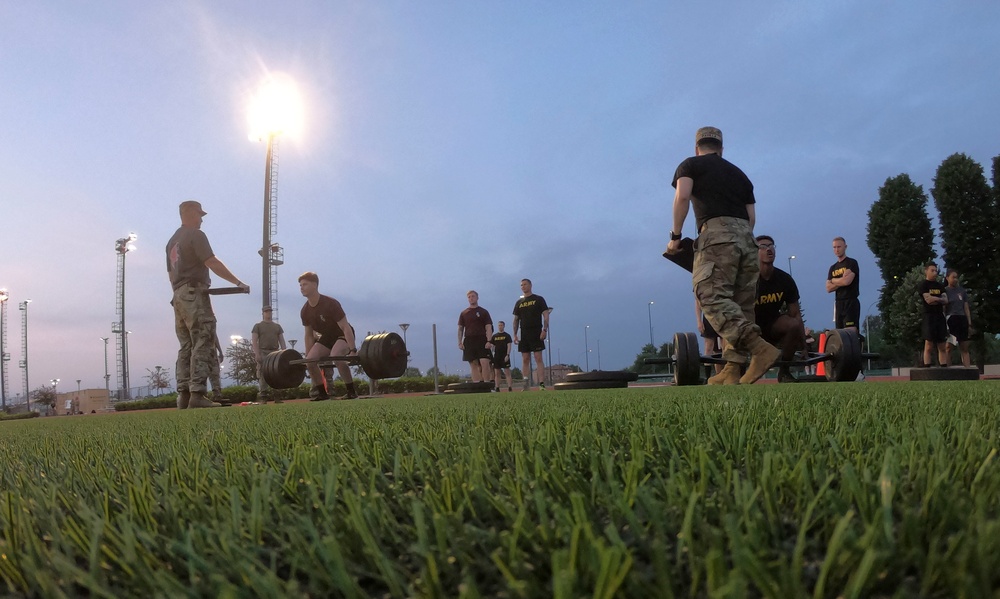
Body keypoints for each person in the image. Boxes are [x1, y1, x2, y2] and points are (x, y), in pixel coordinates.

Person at [665, 126, 779, 385]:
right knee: (741, 304)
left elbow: (682, 196)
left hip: (716, 234)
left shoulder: (690, 165)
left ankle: (760, 349)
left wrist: (675, 237)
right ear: (721, 149)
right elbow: (751, 218)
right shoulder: (740, 175)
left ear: (697, 148)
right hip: (748, 239)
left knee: (709, 294)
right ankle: (732, 368)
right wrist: (742, 241)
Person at [166, 200, 250, 409]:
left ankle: (183, 395)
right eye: (199, 214)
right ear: (190, 213)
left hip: (178, 295)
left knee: (186, 346)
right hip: (195, 292)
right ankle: (198, 394)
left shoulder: (171, 241)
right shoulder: (195, 235)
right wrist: (238, 282)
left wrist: (179, 295)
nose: (202, 219)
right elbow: (211, 261)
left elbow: (170, 274)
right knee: (203, 339)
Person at [298, 271, 359, 401]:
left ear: (314, 285)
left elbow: (345, 327)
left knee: (336, 356)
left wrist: (353, 350)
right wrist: (308, 357)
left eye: (305, 284)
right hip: (328, 337)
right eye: (300, 285)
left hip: (342, 334)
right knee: (311, 361)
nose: (301, 287)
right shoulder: (305, 311)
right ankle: (322, 393)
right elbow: (308, 336)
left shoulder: (331, 303)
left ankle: (351, 391)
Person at [754, 235, 806, 382]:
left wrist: (804, 345)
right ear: (754, 252)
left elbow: (796, 314)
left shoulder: (785, 279)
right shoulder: (747, 280)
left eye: (771, 246)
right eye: (763, 246)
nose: (769, 249)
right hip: (750, 327)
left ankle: (784, 372)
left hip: (772, 327)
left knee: (793, 324)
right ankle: (737, 373)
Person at [512, 279, 552, 390]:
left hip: (536, 332)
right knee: (525, 358)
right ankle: (525, 384)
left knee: (538, 357)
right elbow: (515, 319)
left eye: (525, 284)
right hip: (524, 332)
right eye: (521, 285)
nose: (523, 286)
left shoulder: (538, 299)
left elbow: (546, 315)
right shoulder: (519, 303)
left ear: (530, 285)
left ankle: (541, 384)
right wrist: (515, 334)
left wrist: (544, 330)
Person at [252, 305, 287, 402]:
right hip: (263, 351)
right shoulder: (258, 326)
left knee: (276, 373)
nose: (269, 313)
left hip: (275, 352)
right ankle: (263, 396)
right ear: (263, 313)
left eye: (270, 311)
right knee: (263, 374)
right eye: (266, 312)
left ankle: (277, 396)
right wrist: (257, 354)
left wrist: (284, 352)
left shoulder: (277, 326)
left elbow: (282, 340)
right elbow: (254, 340)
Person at [458, 290, 494, 383]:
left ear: (477, 297)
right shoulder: (464, 313)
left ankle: (487, 384)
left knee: (484, 362)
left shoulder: (483, 312)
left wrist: (489, 341)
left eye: (473, 296)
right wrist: (460, 342)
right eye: (469, 297)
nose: (471, 298)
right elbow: (460, 328)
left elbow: (488, 327)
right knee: (473, 364)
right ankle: (476, 385)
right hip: (469, 340)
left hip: (482, 339)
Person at [826, 237, 860, 332]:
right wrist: (839, 280)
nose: (836, 250)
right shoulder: (832, 268)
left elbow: (847, 282)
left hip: (850, 302)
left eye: (839, 247)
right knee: (840, 334)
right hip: (838, 303)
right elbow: (828, 288)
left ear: (845, 247)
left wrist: (833, 281)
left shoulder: (851, 263)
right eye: (834, 247)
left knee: (850, 333)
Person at [919, 262, 949, 367]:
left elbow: (946, 300)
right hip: (929, 316)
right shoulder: (924, 285)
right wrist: (938, 299)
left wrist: (936, 299)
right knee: (929, 344)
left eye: (936, 270)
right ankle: (927, 366)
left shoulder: (940, 286)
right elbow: (928, 300)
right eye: (932, 270)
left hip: (939, 316)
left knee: (942, 345)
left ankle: (944, 366)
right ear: (926, 271)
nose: (935, 272)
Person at [944, 269, 973, 367]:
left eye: (956, 277)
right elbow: (943, 308)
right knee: (948, 347)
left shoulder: (962, 291)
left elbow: (966, 307)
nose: (955, 279)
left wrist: (969, 323)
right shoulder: (945, 291)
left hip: (962, 319)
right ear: (947, 278)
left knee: (964, 347)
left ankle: (968, 370)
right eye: (953, 277)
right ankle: (948, 370)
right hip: (951, 319)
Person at [695, 298, 724, 375]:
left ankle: (722, 374)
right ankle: (707, 376)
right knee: (709, 347)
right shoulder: (701, 286)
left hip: (723, 316)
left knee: (724, 346)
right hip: (709, 317)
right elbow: (698, 302)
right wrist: (699, 321)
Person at [490, 321, 514, 392]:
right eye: (499, 325)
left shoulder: (507, 336)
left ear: (504, 326)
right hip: (497, 356)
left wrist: (508, 355)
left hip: (505, 356)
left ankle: (510, 387)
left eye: (501, 325)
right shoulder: (494, 336)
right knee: (497, 373)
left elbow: (509, 346)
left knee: (507, 372)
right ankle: (497, 387)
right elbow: (492, 346)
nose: (500, 326)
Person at [208, 328, 224, 400]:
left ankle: (217, 395)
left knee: (215, 374)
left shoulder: (210, 324)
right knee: (200, 375)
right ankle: (200, 396)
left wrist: (220, 351)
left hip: (212, 353)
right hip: (200, 354)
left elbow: (214, 337)